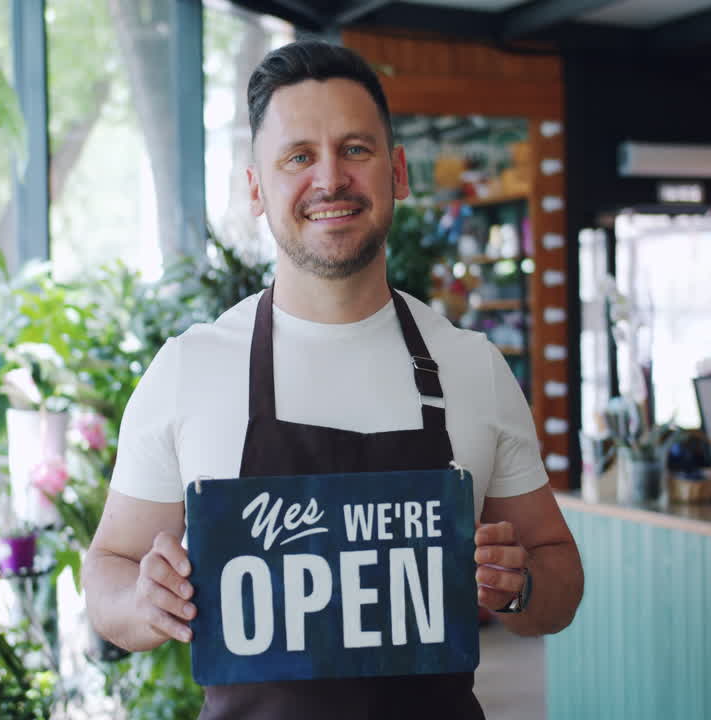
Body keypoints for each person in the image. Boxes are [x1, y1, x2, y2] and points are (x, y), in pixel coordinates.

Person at [83, 40, 583, 719]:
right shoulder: (189, 370)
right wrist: (142, 601)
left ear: (397, 172)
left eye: (356, 150)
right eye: (298, 157)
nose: (330, 179)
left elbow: (561, 575)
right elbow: (107, 569)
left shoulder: (472, 367)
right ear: (257, 188)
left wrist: (519, 583)